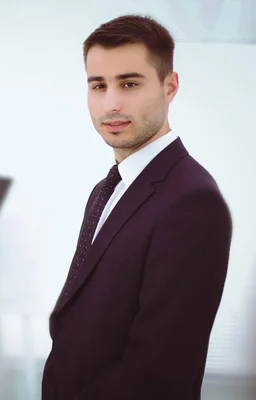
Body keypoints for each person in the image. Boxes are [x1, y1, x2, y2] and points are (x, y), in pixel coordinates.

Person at [41, 15, 233, 399]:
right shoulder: (107, 188)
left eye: (129, 83)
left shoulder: (193, 202)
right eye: (99, 85)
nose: (111, 103)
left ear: (170, 86)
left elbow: (160, 369)